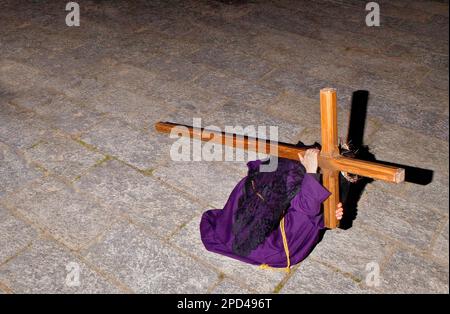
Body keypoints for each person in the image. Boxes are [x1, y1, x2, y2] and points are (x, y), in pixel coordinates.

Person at [200, 148, 344, 272]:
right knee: (318, 203)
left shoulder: (252, 184)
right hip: (278, 249)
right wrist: (310, 171)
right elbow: (307, 209)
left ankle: (329, 201)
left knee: (316, 201)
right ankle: (341, 180)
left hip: (236, 236)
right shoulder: (289, 196)